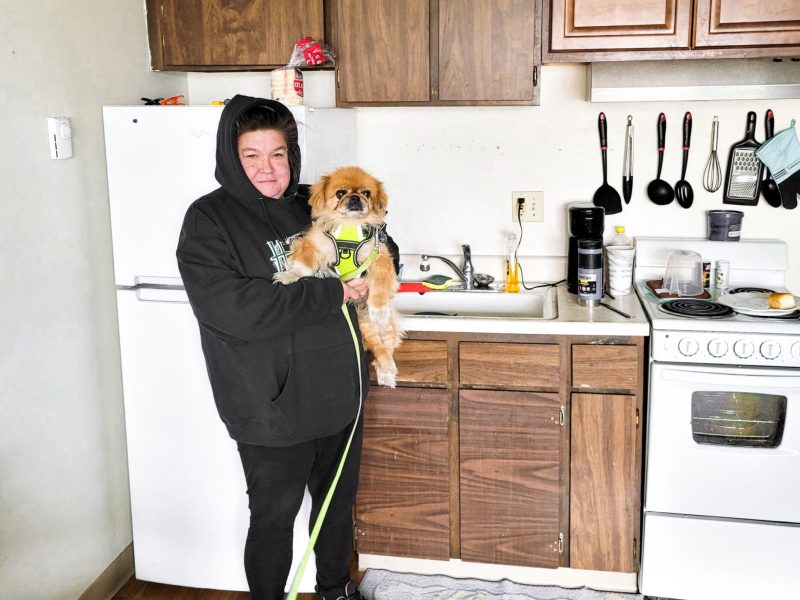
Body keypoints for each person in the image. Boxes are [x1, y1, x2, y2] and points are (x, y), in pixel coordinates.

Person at [177, 95, 396, 600]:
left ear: (291, 154)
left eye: (278, 154)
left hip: (341, 393)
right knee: (274, 517)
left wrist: (371, 260)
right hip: (269, 405)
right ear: (232, 158)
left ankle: (335, 590)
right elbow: (233, 310)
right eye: (251, 155)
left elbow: (379, 242)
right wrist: (332, 290)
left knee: (336, 507)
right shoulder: (209, 220)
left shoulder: (311, 202)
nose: (267, 168)